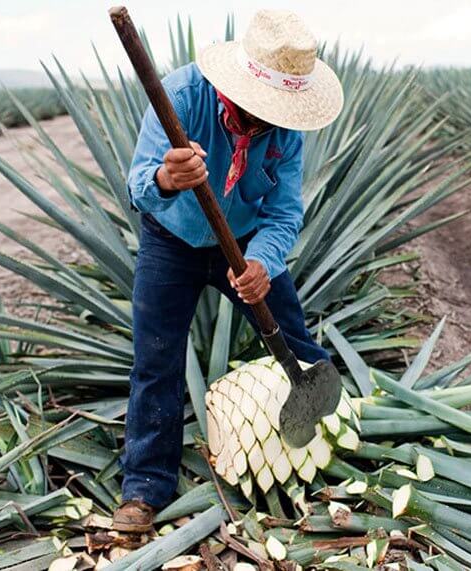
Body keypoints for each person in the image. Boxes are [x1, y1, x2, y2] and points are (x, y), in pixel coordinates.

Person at [112, 10, 344, 532]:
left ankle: (328, 443)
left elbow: (284, 212)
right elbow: (137, 188)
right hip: (171, 238)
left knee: (296, 345)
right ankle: (144, 488)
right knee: (157, 360)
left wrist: (263, 261)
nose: (264, 119)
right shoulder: (181, 95)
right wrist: (168, 178)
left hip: (243, 243)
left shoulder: (285, 129)